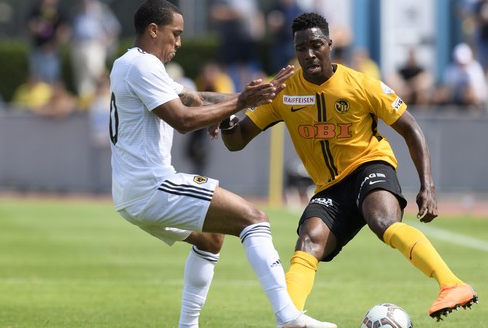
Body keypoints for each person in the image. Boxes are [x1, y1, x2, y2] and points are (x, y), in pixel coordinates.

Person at [220, 12, 478, 321]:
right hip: (330, 187)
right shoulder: (284, 92)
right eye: (301, 48)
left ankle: (452, 284)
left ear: (329, 44)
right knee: (309, 241)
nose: (309, 54)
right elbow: (237, 141)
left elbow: (412, 130)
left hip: (370, 165)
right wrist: (226, 117)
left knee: (381, 220)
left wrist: (428, 186)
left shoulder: (361, 84)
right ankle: (288, 320)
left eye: (316, 45)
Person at [108, 1, 335, 327]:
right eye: (176, 34)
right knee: (254, 218)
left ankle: (188, 325)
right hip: (153, 187)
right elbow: (184, 119)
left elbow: (195, 99)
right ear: (153, 30)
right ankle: (288, 316)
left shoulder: (130, 64)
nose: (179, 43)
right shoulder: (142, 67)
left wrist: (252, 93)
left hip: (132, 193)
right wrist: (242, 102)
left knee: (211, 237)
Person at [69, 0, 121, 104]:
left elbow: (114, 28)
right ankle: (86, 102)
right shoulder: (77, 10)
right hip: (78, 46)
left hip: (94, 46)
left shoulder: (101, 9)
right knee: (82, 77)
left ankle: (102, 101)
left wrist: (105, 41)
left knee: (96, 74)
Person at [26, 0, 69, 85]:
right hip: (37, 49)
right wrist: (38, 27)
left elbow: (64, 31)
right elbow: (29, 26)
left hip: (52, 52)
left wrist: (53, 45)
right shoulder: (36, 9)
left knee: (52, 80)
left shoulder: (60, 11)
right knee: (36, 80)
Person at [434, 42, 488, 111]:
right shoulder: (451, 69)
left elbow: (478, 93)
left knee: (469, 93)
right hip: (455, 98)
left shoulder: (476, 69)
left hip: (474, 100)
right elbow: (447, 89)